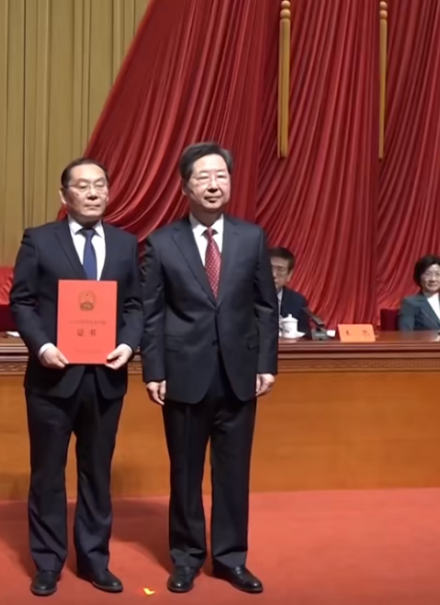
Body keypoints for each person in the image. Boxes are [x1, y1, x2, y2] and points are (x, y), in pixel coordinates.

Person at [140, 142, 278, 594]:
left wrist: (266, 363)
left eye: (221, 175)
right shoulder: (162, 242)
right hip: (183, 374)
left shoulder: (251, 237)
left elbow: (265, 305)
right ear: (185, 187)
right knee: (185, 473)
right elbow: (151, 312)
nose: (214, 184)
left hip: (239, 374)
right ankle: (186, 558)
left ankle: (231, 558)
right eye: (203, 177)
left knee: (234, 472)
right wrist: (153, 370)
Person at [9, 158, 143, 597]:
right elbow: (22, 302)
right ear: (63, 195)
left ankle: (94, 560)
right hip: (52, 378)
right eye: (82, 186)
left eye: (100, 185)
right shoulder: (39, 240)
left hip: (106, 377)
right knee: (48, 474)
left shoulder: (125, 244)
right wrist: (42, 346)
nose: (92, 192)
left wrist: (129, 343)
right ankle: (48, 562)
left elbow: (135, 305)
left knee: (97, 473)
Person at [397, 255, 440, 331]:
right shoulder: (410, 303)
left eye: (438, 274)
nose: (433, 279)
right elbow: (405, 333)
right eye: (427, 274)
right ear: (419, 276)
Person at [269, 247, 313, 335]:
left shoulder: (298, 302)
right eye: (269, 268)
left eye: (280, 270)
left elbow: (304, 334)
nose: (273, 275)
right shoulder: (246, 298)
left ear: (289, 275)